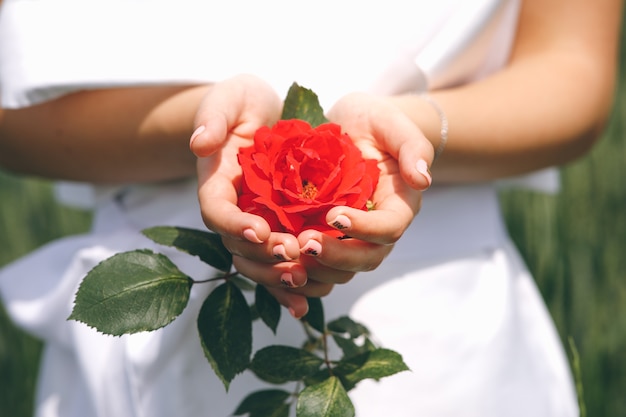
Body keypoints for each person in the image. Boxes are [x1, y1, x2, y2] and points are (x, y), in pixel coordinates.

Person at [0, 0, 621, 416]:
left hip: (440, 346)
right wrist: (202, 128)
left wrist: (416, 129)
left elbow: (571, 75)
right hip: (154, 347)